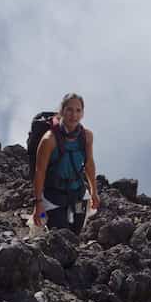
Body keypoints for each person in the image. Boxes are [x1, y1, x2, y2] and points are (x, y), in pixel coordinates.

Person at [32, 93, 100, 235]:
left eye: (78, 110)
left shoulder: (87, 136)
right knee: (60, 235)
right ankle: (39, 224)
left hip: (78, 195)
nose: (73, 115)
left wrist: (94, 192)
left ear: (82, 113)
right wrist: (37, 204)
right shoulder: (49, 139)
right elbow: (40, 172)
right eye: (69, 110)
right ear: (62, 111)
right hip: (53, 197)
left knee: (76, 231)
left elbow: (89, 164)